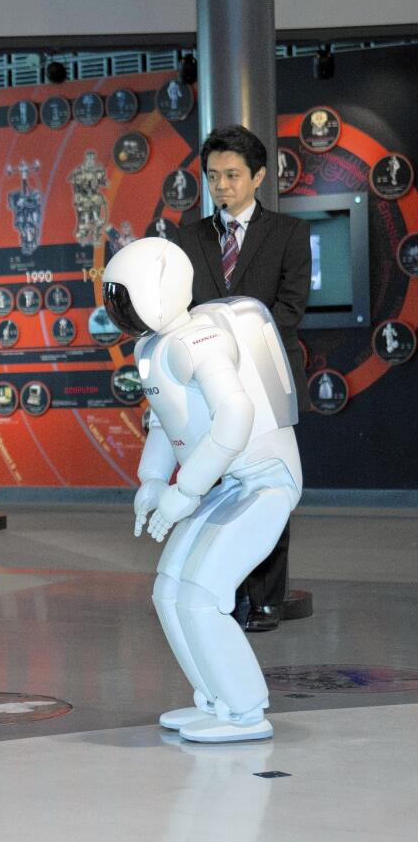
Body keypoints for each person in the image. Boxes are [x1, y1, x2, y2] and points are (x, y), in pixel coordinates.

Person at [104, 237, 303, 742]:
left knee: (200, 596)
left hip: (265, 482)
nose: (118, 309)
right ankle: (215, 701)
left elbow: (236, 417)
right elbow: (163, 422)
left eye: (123, 297)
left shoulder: (200, 341)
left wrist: (185, 491)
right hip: (227, 484)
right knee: (170, 591)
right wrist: (152, 481)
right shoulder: (152, 347)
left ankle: (244, 710)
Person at [177, 124, 311, 633]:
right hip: (207, 387)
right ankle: (222, 593)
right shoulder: (189, 238)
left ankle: (267, 600)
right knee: (214, 492)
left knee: (267, 491)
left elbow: (290, 309)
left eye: (233, 175)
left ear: (258, 176)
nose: (222, 186)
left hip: (267, 383)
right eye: (213, 177)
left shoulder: (289, 235)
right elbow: (181, 312)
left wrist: (235, 349)